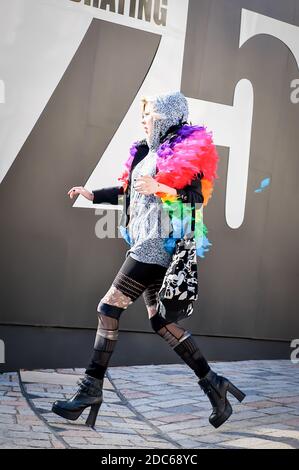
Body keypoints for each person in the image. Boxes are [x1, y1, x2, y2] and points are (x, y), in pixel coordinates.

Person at [51, 91, 245, 429]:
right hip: (142, 240)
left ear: (167, 117)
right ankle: (214, 384)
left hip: (157, 245)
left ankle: (89, 389)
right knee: (160, 322)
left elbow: (195, 198)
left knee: (108, 308)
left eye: (150, 113)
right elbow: (129, 190)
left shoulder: (186, 151)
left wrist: (160, 186)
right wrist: (92, 194)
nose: (144, 119)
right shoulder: (147, 150)